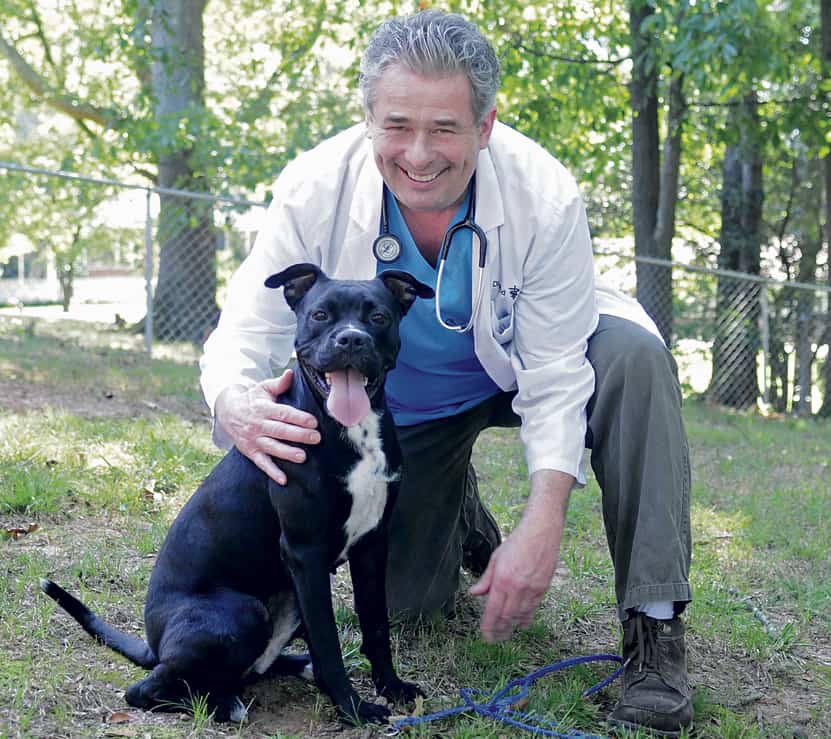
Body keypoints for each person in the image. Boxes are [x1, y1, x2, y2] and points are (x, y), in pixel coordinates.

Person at [199, 10, 692, 736]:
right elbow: (246, 326)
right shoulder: (311, 188)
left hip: (522, 368)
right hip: (402, 412)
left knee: (634, 359)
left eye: (446, 129)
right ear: (367, 119)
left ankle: (653, 631)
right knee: (403, 603)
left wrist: (543, 515)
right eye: (397, 126)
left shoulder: (543, 193)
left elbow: (557, 371)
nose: (420, 154)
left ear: (486, 125)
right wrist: (234, 399)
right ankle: (455, 500)